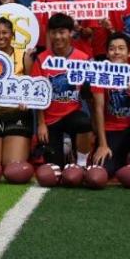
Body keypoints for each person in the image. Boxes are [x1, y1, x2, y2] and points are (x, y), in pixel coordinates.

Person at [32, 13, 93, 167]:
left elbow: (91, 97)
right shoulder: (41, 59)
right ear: (49, 34)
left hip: (72, 114)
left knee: (84, 123)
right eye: (54, 32)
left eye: (62, 32)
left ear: (71, 33)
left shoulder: (83, 59)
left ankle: (81, 163)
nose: (58, 37)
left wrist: (94, 128)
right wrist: (41, 124)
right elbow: (37, 96)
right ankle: (65, 151)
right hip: (50, 120)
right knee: (54, 170)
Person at [91, 33, 130, 175]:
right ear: (107, 53)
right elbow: (98, 109)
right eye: (112, 49)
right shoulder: (100, 75)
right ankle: (121, 159)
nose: (116, 52)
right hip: (111, 131)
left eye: (121, 48)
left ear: (129, 53)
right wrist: (102, 144)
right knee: (104, 171)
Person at [0, 18, 35, 166]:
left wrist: (27, 101)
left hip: (18, 115)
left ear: (12, 35)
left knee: (13, 167)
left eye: (5, 32)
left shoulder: (24, 56)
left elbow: (31, 88)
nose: (1, 36)